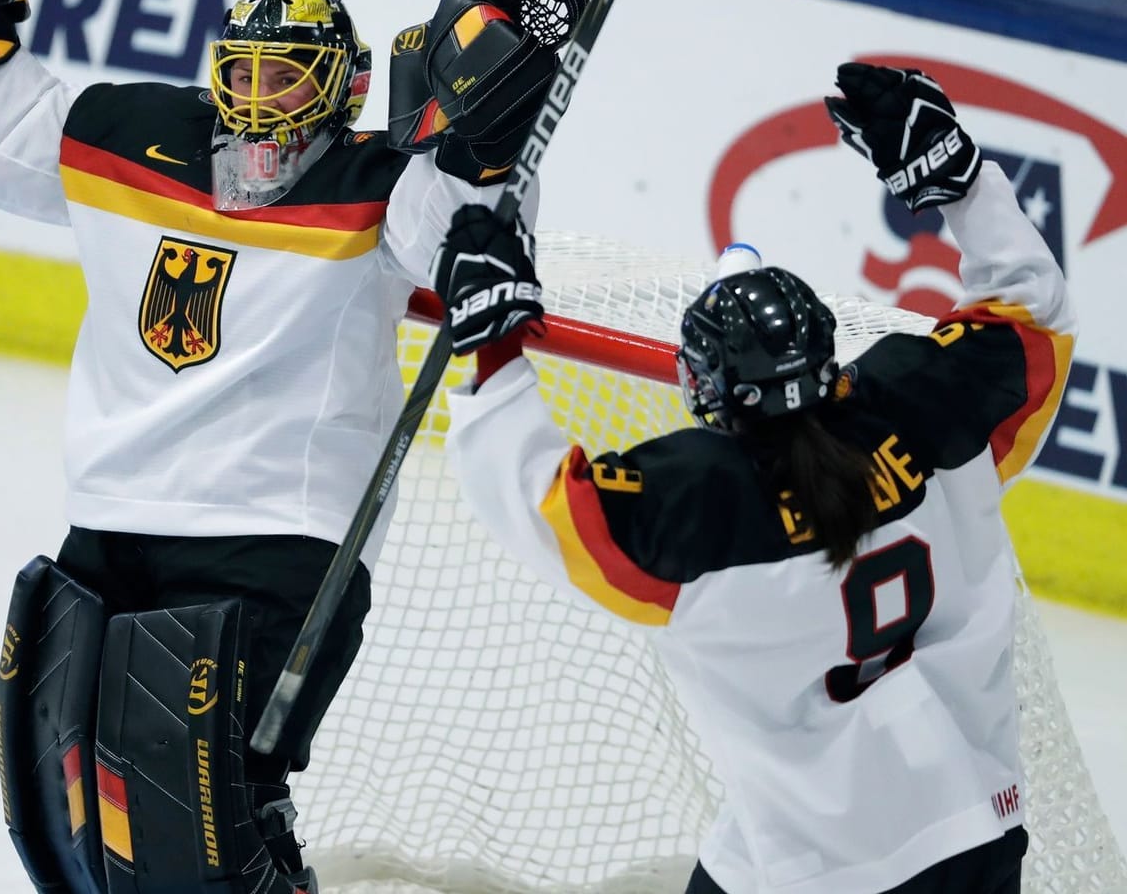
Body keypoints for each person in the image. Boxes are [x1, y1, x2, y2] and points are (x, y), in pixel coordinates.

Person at [0, 0, 587, 893]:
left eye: (287, 79)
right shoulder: (131, 135)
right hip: (109, 523)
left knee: (202, 836)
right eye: (244, 74)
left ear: (339, 91)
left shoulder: (375, 185)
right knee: (73, 819)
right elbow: (13, 137)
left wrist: (489, 151)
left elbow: (459, 222)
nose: (259, 102)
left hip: (278, 544)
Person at [429, 61, 1073, 894]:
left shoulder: (703, 502)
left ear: (703, 390)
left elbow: (541, 500)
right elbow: (1034, 311)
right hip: (975, 835)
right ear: (831, 359)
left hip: (801, 870)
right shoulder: (922, 402)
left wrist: (495, 345)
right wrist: (961, 182)